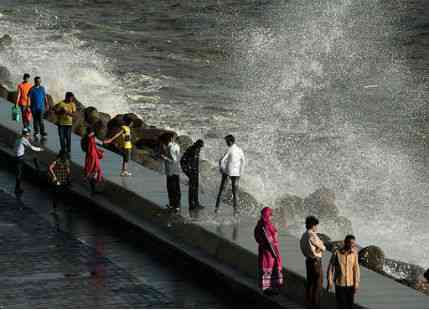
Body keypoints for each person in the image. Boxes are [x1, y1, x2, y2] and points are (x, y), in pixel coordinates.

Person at [254, 207, 283, 295]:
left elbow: (256, 237)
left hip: (263, 249)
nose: (271, 217)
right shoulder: (266, 226)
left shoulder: (259, 224)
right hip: (269, 252)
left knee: (266, 268)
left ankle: (268, 288)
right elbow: (270, 241)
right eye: (270, 215)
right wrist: (275, 254)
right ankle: (269, 289)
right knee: (270, 268)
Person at [215, 134, 245, 216]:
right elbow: (243, 161)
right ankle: (235, 211)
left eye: (227, 142)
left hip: (227, 173)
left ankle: (217, 209)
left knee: (221, 191)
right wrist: (241, 172)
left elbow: (221, 160)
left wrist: (222, 169)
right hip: (237, 174)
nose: (226, 143)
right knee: (235, 193)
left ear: (230, 141)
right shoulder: (240, 149)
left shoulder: (230, 149)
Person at [327, 235, 360, 308]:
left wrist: (356, 283)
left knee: (349, 305)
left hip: (351, 284)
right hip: (340, 284)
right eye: (350, 243)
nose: (352, 245)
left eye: (353, 243)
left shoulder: (354, 254)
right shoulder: (337, 253)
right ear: (345, 242)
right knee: (341, 305)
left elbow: (356, 269)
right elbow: (330, 268)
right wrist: (330, 280)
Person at [300, 216, 326, 307]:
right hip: (316, 262)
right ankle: (315, 305)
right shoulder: (312, 235)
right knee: (317, 284)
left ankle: (308, 303)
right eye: (316, 225)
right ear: (313, 225)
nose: (316, 228)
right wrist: (319, 248)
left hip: (308, 260)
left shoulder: (303, 235)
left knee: (310, 283)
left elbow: (303, 249)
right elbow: (323, 247)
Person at [14, 128, 43, 194]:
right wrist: (40, 149)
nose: (29, 137)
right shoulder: (23, 140)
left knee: (19, 173)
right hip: (20, 158)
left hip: (16, 157)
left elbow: (16, 149)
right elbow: (32, 148)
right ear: (26, 135)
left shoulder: (18, 139)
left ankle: (17, 188)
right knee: (34, 157)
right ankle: (38, 171)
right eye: (28, 135)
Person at [180, 139, 204, 210]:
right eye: (200, 147)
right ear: (197, 144)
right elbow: (182, 160)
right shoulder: (191, 149)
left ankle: (196, 203)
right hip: (191, 171)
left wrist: (197, 170)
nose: (200, 148)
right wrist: (187, 170)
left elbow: (195, 161)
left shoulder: (197, 149)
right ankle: (191, 205)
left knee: (196, 187)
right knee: (192, 188)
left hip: (195, 171)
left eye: (201, 147)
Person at [160, 133, 181, 212]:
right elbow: (177, 158)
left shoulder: (170, 147)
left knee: (171, 188)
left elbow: (174, 160)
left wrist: (164, 157)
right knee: (176, 188)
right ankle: (176, 205)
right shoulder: (176, 146)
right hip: (176, 170)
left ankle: (174, 205)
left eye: (162, 142)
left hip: (171, 171)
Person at [83, 127, 104, 192]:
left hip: (88, 156)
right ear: (92, 132)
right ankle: (94, 188)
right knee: (97, 170)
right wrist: (110, 141)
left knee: (90, 170)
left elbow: (85, 148)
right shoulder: (93, 138)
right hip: (93, 157)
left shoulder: (85, 138)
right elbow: (101, 143)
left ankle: (93, 188)